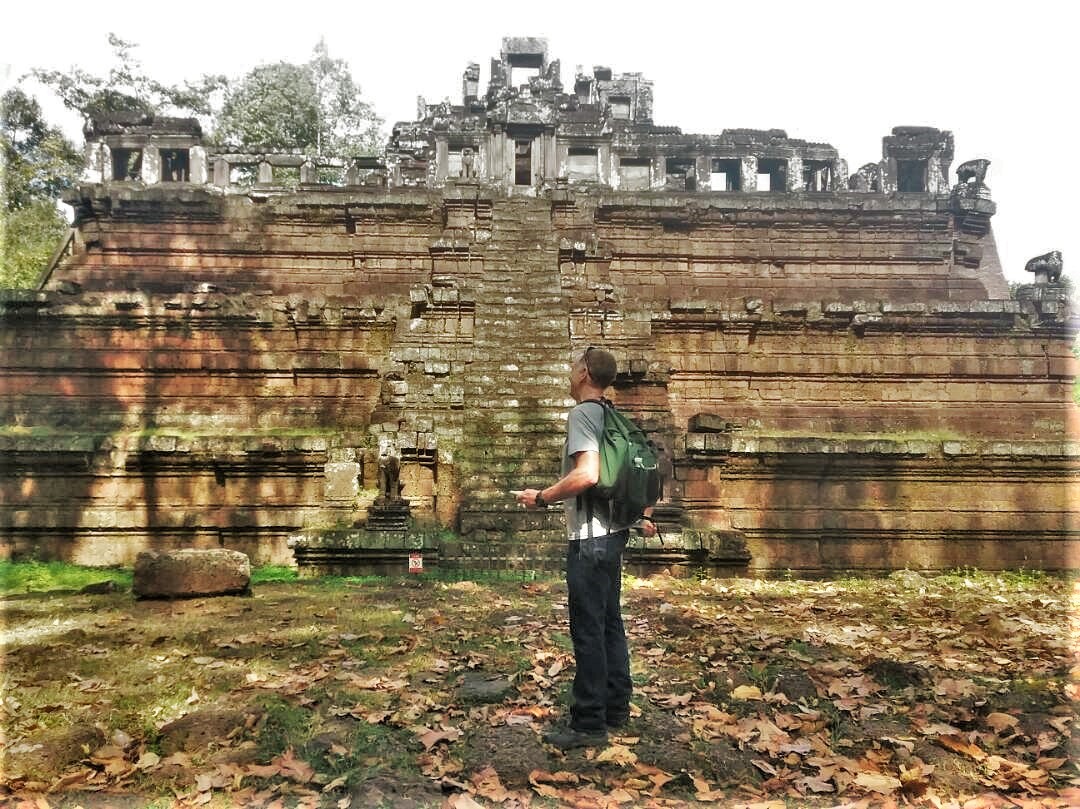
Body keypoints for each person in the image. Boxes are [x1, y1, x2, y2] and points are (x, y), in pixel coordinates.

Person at [517, 346, 656, 750]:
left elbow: (587, 474)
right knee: (611, 621)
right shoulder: (614, 415)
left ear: (582, 372)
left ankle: (588, 722)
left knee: (588, 629)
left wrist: (542, 497)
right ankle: (616, 707)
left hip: (591, 540)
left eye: (572, 365)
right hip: (613, 534)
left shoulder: (583, 414)